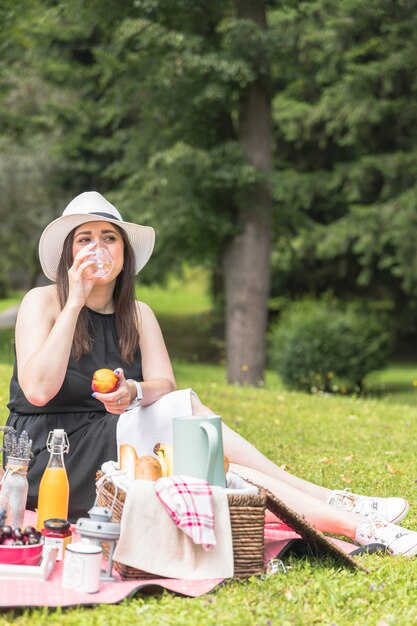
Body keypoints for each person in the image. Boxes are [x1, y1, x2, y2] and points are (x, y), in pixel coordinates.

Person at [5, 191, 417, 556]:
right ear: (69, 254)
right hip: (50, 458)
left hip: (119, 446)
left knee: (213, 459)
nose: (98, 247)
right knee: (185, 416)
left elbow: (164, 385)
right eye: (85, 238)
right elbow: (38, 391)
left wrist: (132, 390)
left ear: (124, 254)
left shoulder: (138, 314)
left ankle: (358, 525)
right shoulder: (43, 303)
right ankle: (342, 508)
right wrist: (74, 301)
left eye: (109, 237)